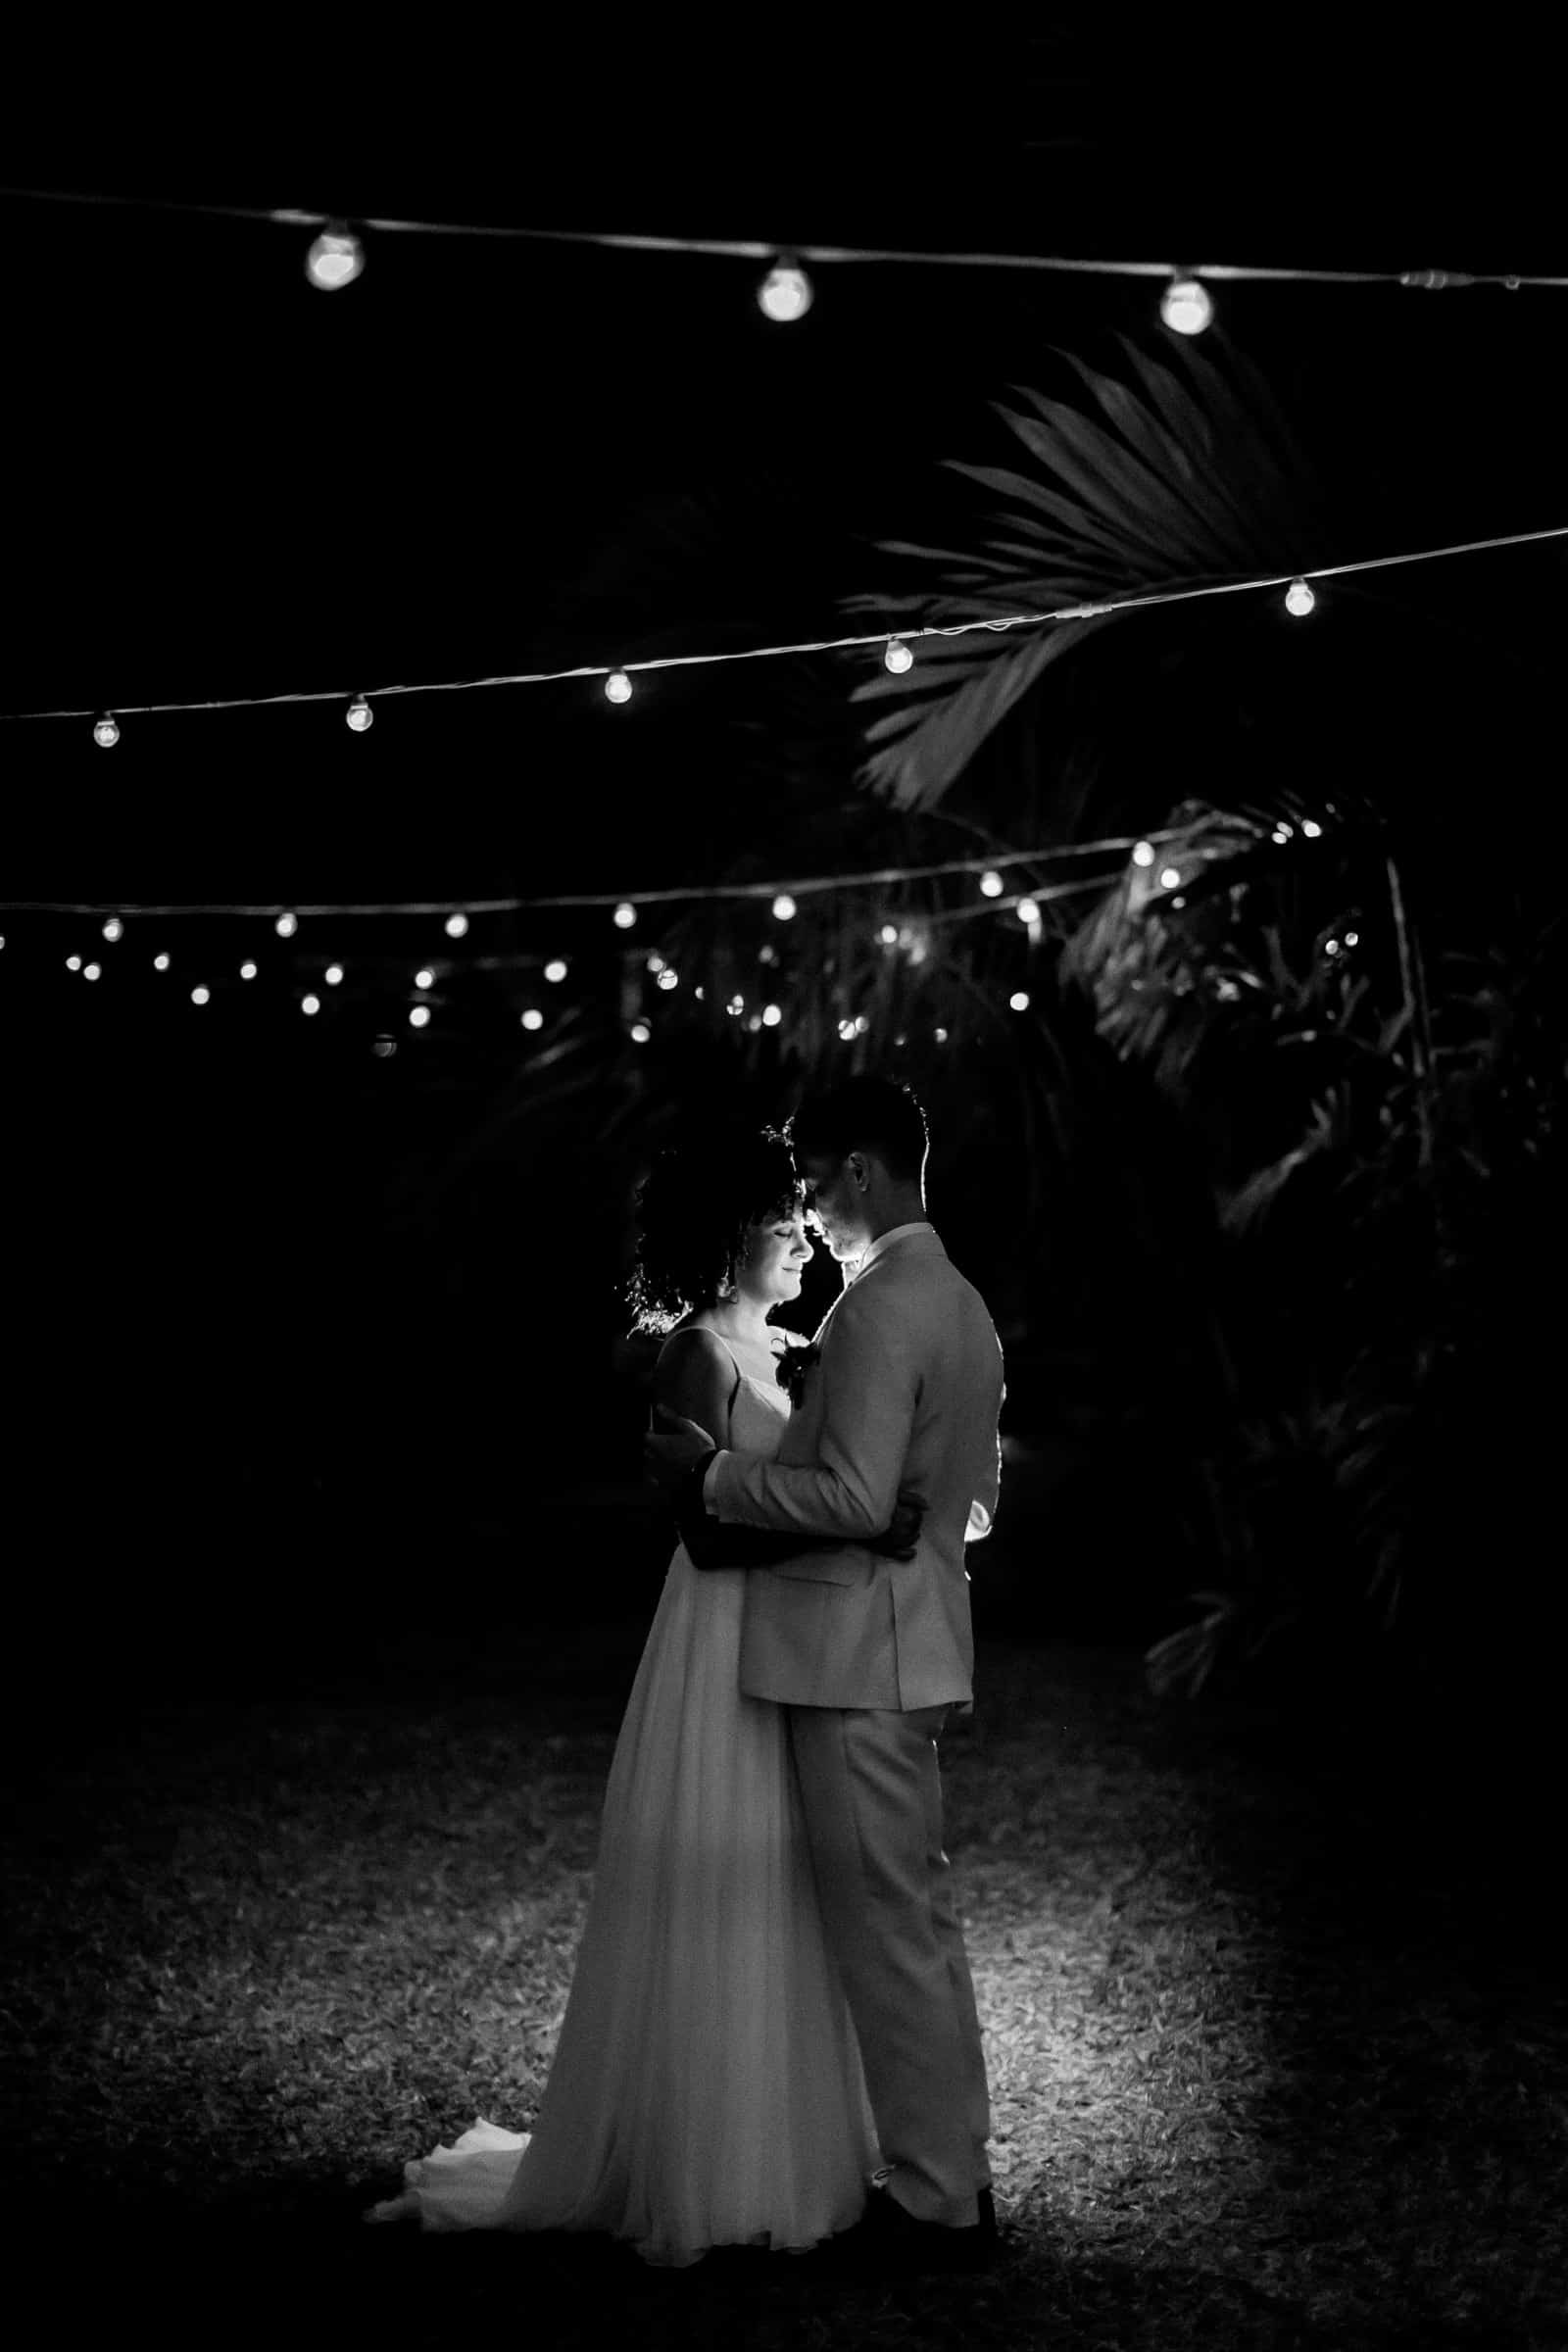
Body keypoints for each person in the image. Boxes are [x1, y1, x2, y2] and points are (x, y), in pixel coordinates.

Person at [364, 1119, 919, 2267]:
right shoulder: (697, 1357)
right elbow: (708, 1542)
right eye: (779, 1226)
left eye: (799, 1219)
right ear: (725, 1239)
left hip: (800, 1644)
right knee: (719, 1875)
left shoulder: (795, 1350)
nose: (802, 1240)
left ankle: (787, 2141)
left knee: (788, 1887)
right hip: (719, 1647)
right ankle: (701, 2161)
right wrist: (858, 1528)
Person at [646, 1075, 1006, 2278]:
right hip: (908, 1644)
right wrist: (909, 1515)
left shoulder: (876, 1309)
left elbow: (851, 1499)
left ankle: (938, 2202)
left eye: (810, 1175)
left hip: (857, 1657)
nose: (804, 1201)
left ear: (861, 1168)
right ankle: (950, 2178)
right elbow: (974, 1505)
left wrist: (712, 1481)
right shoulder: (960, 1304)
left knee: (889, 1935)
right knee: (914, 1924)